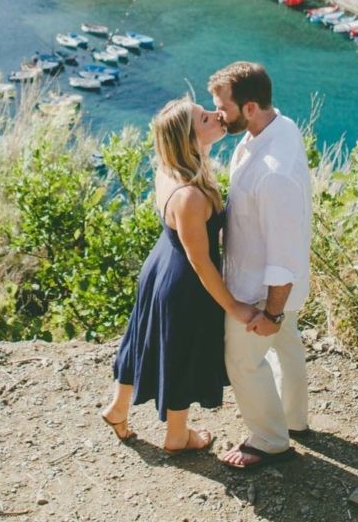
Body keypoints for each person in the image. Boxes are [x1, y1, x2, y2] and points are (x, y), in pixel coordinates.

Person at [101, 98, 258, 454]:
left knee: (144, 338)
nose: (216, 115)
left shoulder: (171, 168)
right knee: (181, 351)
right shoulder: (188, 195)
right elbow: (201, 262)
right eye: (205, 118)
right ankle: (177, 435)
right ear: (190, 138)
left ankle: (118, 407)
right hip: (182, 281)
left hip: (160, 266)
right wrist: (234, 307)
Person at [207, 62, 313, 469]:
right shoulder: (277, 126)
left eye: (223, 107)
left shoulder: (275, 174)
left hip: (261, 288)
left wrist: (270, 312)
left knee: (244, 361)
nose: (218, 113)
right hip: (272, 283)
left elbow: (283, 255)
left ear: (249, 107)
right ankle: (293, 419)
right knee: (286, 346)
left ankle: (270, 439)